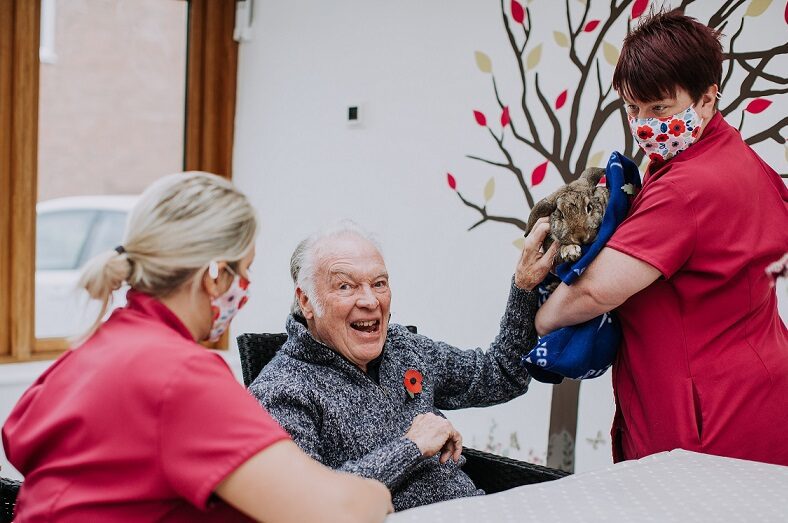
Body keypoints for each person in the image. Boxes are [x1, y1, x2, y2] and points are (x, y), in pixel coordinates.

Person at [2, 173, 392, 522]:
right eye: (244, 271)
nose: (245, 288)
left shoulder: (96, 349)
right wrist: (377, 494)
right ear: (215, 275)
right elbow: (331, 512)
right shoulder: (178, 375)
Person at [535, 10, 788, 466]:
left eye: (660, 109)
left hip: (708, 415)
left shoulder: (686, 188)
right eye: (633, 108)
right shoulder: (744, 162)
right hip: (760, 388)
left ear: (707, 99)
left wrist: (539, 320)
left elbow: (594, 290)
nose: (644, 123)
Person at [250, 219, 558, 511]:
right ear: (306, 302)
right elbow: (308, 504)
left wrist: (524, 287)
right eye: (346, 286)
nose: (370, 301)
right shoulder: (281, 390)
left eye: (379, 283)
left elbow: (501, 375)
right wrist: (411, 447)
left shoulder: (403, 346)